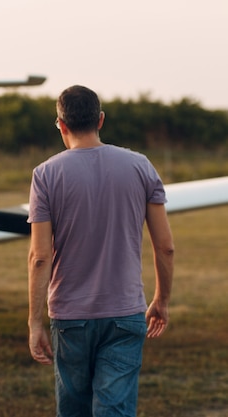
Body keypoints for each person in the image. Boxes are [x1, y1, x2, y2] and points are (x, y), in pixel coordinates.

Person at [27, 85, 174, 416]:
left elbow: (39, 257)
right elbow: (165, 247)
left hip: (70, 317)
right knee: (115, 409)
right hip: (125, 313)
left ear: (61, 125)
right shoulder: (141, 166)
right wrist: (161, 300)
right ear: (101, 120)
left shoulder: (45, 175)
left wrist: (35, 321)